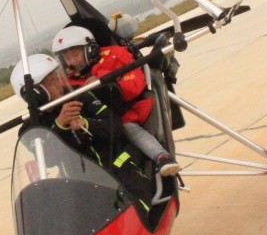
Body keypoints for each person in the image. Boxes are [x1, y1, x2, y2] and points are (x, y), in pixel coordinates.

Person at [10, 54, 154, 203]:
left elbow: (115, 126)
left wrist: (86, 124)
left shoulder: (78, 95)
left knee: (141, 205)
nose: (59, 84)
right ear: (36, 93)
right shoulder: (30, 128)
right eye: (52, 81)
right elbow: (49, 160)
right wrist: (60, 125)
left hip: (118, 170)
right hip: (82, 187)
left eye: (57, 77)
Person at [52, 25, 181, 177]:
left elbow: (135, 84)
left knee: (126, 127)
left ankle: (162, 157)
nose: (71, 61)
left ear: (89, 50)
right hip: (95, 123)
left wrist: (103, 81)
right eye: (67, 58)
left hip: (125, 113)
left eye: (75, 55)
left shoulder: (115, 56)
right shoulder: (66, 80)